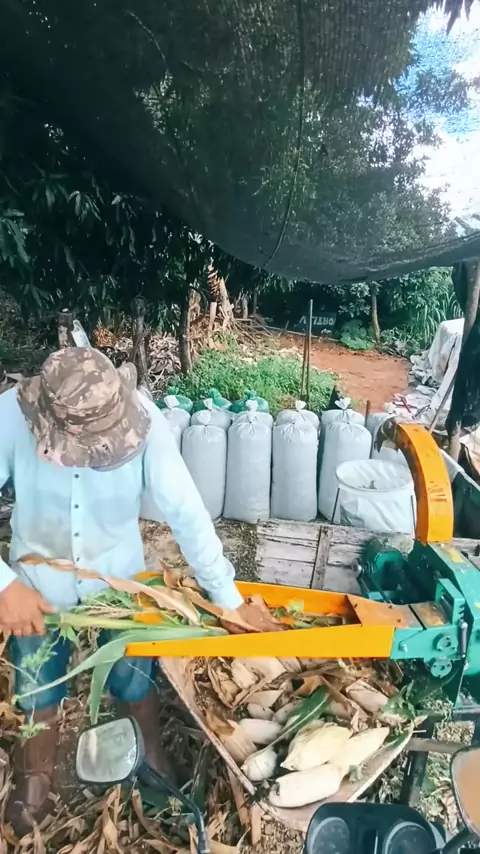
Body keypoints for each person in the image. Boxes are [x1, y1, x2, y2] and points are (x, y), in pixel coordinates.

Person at [0, 347, 277, 836]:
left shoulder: (144, 420)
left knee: (133, 678)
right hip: (36, 588)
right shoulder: (9, 416)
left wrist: (227, 599)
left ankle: (148, 753)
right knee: (36, 683)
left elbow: (186, 510)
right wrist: (5, 587)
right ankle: (36, 773)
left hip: (120, 585)